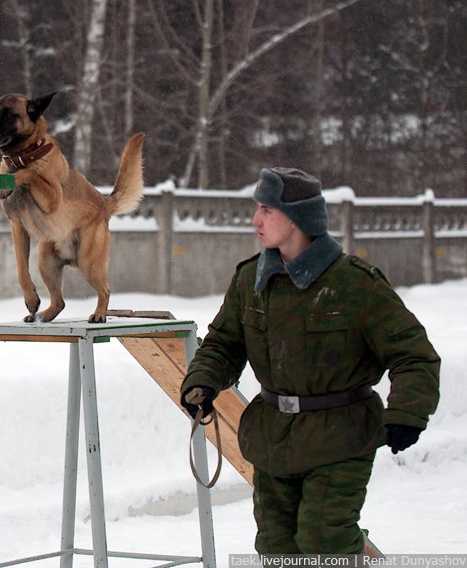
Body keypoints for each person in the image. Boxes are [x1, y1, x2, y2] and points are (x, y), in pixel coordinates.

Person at [179, 167, 440, 555]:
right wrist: (202, 381)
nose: (255, 220)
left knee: (325, 541)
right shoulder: (251, 280)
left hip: (341, 436)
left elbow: (413, 354)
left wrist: (407, 413)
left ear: (297, 218)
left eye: (267, 210)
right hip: (273, 436)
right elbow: (224, 343)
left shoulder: (354, 283)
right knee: (276, 547)